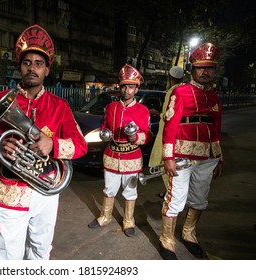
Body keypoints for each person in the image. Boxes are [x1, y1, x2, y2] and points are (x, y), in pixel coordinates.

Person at [0, 24, 87, 260]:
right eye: (27, 63)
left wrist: (53, 144)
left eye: (38, 63)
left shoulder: (60, 106)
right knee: (8, 256)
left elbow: (81, 145)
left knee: (40, 250)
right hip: (11, 189)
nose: (32, 68)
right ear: (20, 67)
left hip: (46, 190)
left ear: (47, 70)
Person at [158, 42, 223, 260]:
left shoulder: (214, 97)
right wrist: (167, 157)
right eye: (201, 67)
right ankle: (166, 240)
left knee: (200, 198)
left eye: (210, 67)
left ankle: (189, 234)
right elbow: (170, 126)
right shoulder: (181, 91)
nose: (206, 71)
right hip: (181, 156)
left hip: (207, 158)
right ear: (192, 69)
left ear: (215, 70)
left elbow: (216, 130)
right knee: (175, 198)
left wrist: (219, 158)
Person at [88, 64, 152, 237]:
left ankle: (128, 221)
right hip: (111, 154)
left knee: (130, 191)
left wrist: (135, 137)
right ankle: (105, 216)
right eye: (124, 86)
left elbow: (147, 135)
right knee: (109, 189)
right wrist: (104, 135)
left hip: (131, 156)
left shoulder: (142, 110)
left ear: (136, 88)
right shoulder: (110, 108)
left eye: (130, 86)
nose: (126, 90)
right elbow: (104, 127)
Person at [148, 66, 184, 198]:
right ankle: (171, 193)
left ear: (170, 78)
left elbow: (169, 115)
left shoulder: (173, 91)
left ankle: (171, 195)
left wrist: (158, 113)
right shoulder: (183, 89)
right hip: (176, 133)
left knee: (164, 164)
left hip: (167, 132)